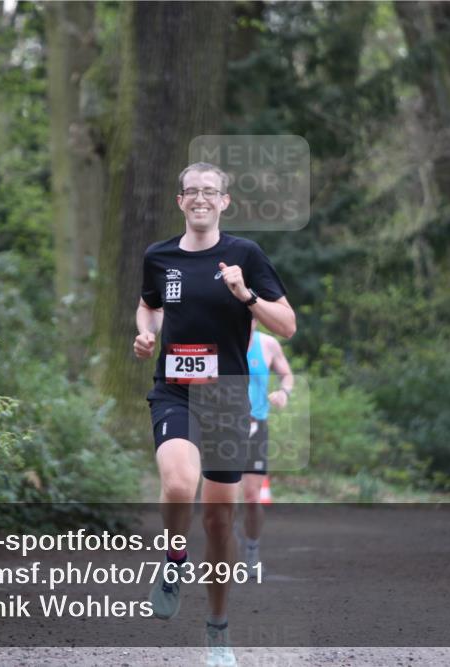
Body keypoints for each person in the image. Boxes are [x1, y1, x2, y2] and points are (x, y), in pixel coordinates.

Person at [134, 162, 295, 667]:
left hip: (227, 398)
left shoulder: (245, 255)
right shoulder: (159, 256)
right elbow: (148, 305)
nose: (200, 198)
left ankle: (218, 628)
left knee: (219, 523)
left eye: (210, 191)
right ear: (180, 201)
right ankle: (173, 560)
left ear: (225, 201)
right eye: (192, 191)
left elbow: (287, 325)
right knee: (179, 483)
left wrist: (246, 295)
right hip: (175, 392)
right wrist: (146, 333)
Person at [240, 319, 294, 576]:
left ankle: (251, 551)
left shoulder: (268, 345)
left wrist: (284, 393)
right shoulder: (219, 340)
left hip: (255, 427)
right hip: (221, 426)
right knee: (223, 498)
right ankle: (224, 548)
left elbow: (287, 375)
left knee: (251, 497)